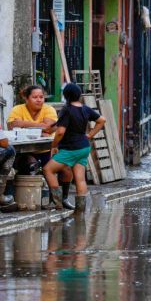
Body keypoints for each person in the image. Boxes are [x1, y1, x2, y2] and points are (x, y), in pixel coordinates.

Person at [43, 83, 105, 211]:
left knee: (48, 170)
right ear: (79, 94)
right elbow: (102, 120)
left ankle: (57, 203)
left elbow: (60, 132)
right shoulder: (85, 108)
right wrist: (90, 135)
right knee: (80, 179)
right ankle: (80, 209)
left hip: (71, 148)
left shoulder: (67, 109)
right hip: (83, 147)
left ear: (65, 96)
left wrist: (53, 145)